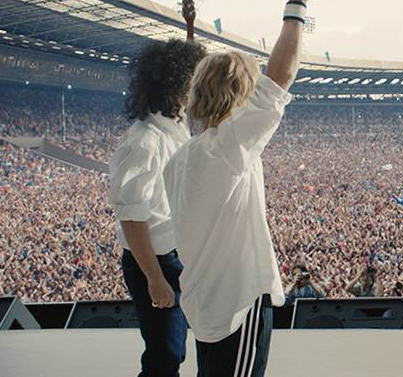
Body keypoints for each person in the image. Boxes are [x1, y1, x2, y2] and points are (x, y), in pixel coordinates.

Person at [162, 2, 304, 376]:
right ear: (240, 95)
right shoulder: (227, 149)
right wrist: (297, 9)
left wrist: (191, 31)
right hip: (237, 305)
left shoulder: (182, 158)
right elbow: (281, 77)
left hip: (205, 300)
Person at [107, 10, 205, 374]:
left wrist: (190, 28)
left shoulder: (173, 125)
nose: (198, 90)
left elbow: (191, 67)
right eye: (191, 82)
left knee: (176, 348)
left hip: (177, 256)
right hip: (155, 262)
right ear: (175, 86)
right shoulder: (144, 143)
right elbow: (131, 217)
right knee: (165, 355)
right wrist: (155, 280)